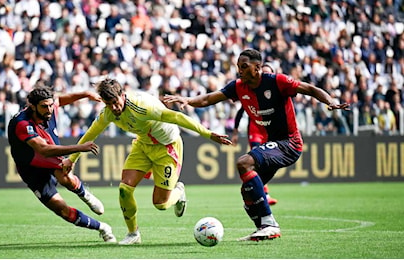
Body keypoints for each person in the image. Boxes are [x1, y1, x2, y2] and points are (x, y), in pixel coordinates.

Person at [163, 48, 350, 241]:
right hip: (274, 143)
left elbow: (310, 89)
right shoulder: (238, 86)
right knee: (247, 192)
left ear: (258, 67)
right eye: (238, 67)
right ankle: (263, 228)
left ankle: (269, 223)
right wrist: (187, 100)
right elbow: (209, 98)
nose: (240, 71)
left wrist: (330, 102)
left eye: (244, 67)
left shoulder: (277, 81)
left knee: (244, 163)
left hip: (289, 143)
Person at [61, 78, 232, 245]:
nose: (113, 108)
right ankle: (133, 233)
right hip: (143, 145)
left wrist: (208, 134)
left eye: (115, 102)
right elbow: (90, 134)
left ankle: (179, 192)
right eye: (108, 104)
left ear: (122, 95)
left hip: (167, 147)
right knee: (124, 189)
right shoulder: (108, 114)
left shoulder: (142, 107)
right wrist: (72, 159)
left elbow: (177, 117)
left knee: (161, 204)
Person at [7, 86, 116, 242]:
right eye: (44, 106)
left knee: (66, 177)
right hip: (32, 167)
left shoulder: (49, 108)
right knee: (63, 211)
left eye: (50, 105)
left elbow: (62, 99)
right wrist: (80, 148)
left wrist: (85, 93)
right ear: (32, 106)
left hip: (51, 157)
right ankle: (103, 228)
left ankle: (84, 194)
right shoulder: (22, 124)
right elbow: (43, 150)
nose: (49, 110)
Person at [231, 63, 278, 206]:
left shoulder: (275, 92)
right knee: (257, 161)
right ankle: (263, 193)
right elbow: (241, 111)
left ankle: (259, 191)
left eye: (268, 73)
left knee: (268, 163)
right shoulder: (252, 92)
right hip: (255, 131)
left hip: (269, 132)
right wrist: (235, 130)